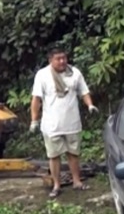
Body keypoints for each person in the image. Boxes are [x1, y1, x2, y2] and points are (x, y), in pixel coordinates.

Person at [29, 47, 98, 198]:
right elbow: (36, 99)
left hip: (72, 122)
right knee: (54, 156)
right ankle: (56, 185)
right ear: (50, 60)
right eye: (58, 59)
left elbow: (84, 91)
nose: (62, 61)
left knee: (73, 153)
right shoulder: (42, 75)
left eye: (64, 58)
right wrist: (34, 120)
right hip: (51, 125)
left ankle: (76, 181)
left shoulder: (75, 73)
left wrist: (90, 105)